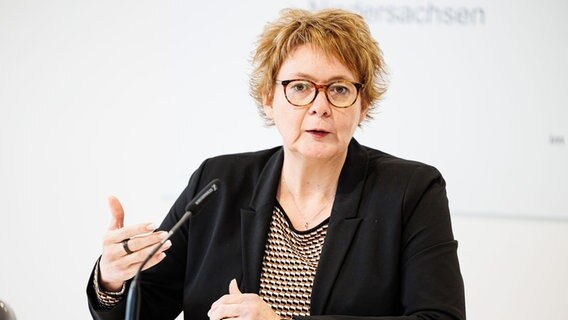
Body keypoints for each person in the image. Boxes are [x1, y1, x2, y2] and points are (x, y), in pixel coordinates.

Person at [86, 8, 466, 320]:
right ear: (269, 98)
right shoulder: (216, 183)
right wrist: (113, 280)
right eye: (299, 86)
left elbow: (439, 318)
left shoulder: (411, 191)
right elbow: (146, 308)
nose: (320, 106)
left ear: (362, 105)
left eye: (338, 89)